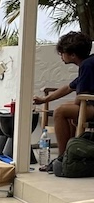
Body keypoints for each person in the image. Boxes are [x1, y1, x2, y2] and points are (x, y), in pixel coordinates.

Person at [33, 31, 94, 169]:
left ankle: (62, 158)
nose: (61, 56)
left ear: (72, 55)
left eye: (62, 53)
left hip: (91, 104)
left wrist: (77, 112)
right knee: (67, 107)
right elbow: (68, 87)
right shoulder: (89, 63)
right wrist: (44, 100)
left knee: (60, 111)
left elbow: (81, 96)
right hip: (90, 104)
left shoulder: (87, 66)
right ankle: (70, 152)